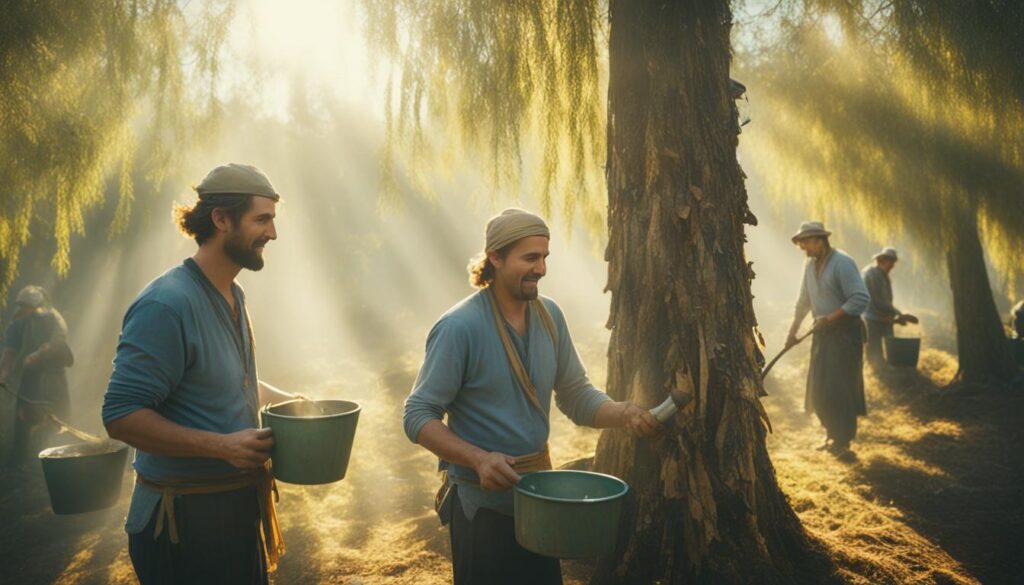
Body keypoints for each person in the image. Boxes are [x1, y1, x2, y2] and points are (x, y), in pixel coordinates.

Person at [404, 208, 659, 585]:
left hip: (541, 504)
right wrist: (479, 459)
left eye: (544, 257)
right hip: (481, 508)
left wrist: (624, 413)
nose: (541, 268)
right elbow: (417, 414)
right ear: (495, 257)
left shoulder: (550, 316)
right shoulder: (459, 327)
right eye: (529, 258)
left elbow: (575, 395)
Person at [102, 163, 294, 585]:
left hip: (234, 514)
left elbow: (222, 382)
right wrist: (222, 446)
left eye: (273, 220)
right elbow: (119, 414)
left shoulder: (234, 293)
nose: (273, 234)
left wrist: (291, 403)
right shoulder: (166, 305)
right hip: (182, 527)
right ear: (221, 219)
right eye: (262, 219)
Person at [785, 221, 870, 455]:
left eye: (807, 244)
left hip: (845, 335)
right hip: (823, 334)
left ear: (819, 240)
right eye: (802, 245)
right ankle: (831, 434)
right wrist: (792, 331)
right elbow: (804, 301)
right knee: (820, 389)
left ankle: (843, 442)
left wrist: (830, 318)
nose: (805, 250)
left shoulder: (843, 262)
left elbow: (860, 299)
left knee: (840, 388)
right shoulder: (809, 267)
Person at [0, 285, 73, 467]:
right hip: (31, 375)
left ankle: (64, 456)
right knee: (23, 416)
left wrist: (38, 354)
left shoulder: (53, 318)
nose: (24, 309)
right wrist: (4, 374)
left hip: (53, 374)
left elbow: (58, 341)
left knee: (60, 415)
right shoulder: (19, 321)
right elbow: (10, 349)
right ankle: (19, 460)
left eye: (27, 305)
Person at [861, 247, 917, 366]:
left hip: (883, 318)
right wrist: (900, 314)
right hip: (873, 319)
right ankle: (879, 373)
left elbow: (884, 301)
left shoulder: (882, 275)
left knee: (888, 350)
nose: (893, 265)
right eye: (891, 261)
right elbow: (879, 301)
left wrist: (896, 317)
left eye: (893, 262)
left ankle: (886, 370)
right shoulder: (873, 274)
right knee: (875, 351)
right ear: (882, 260)